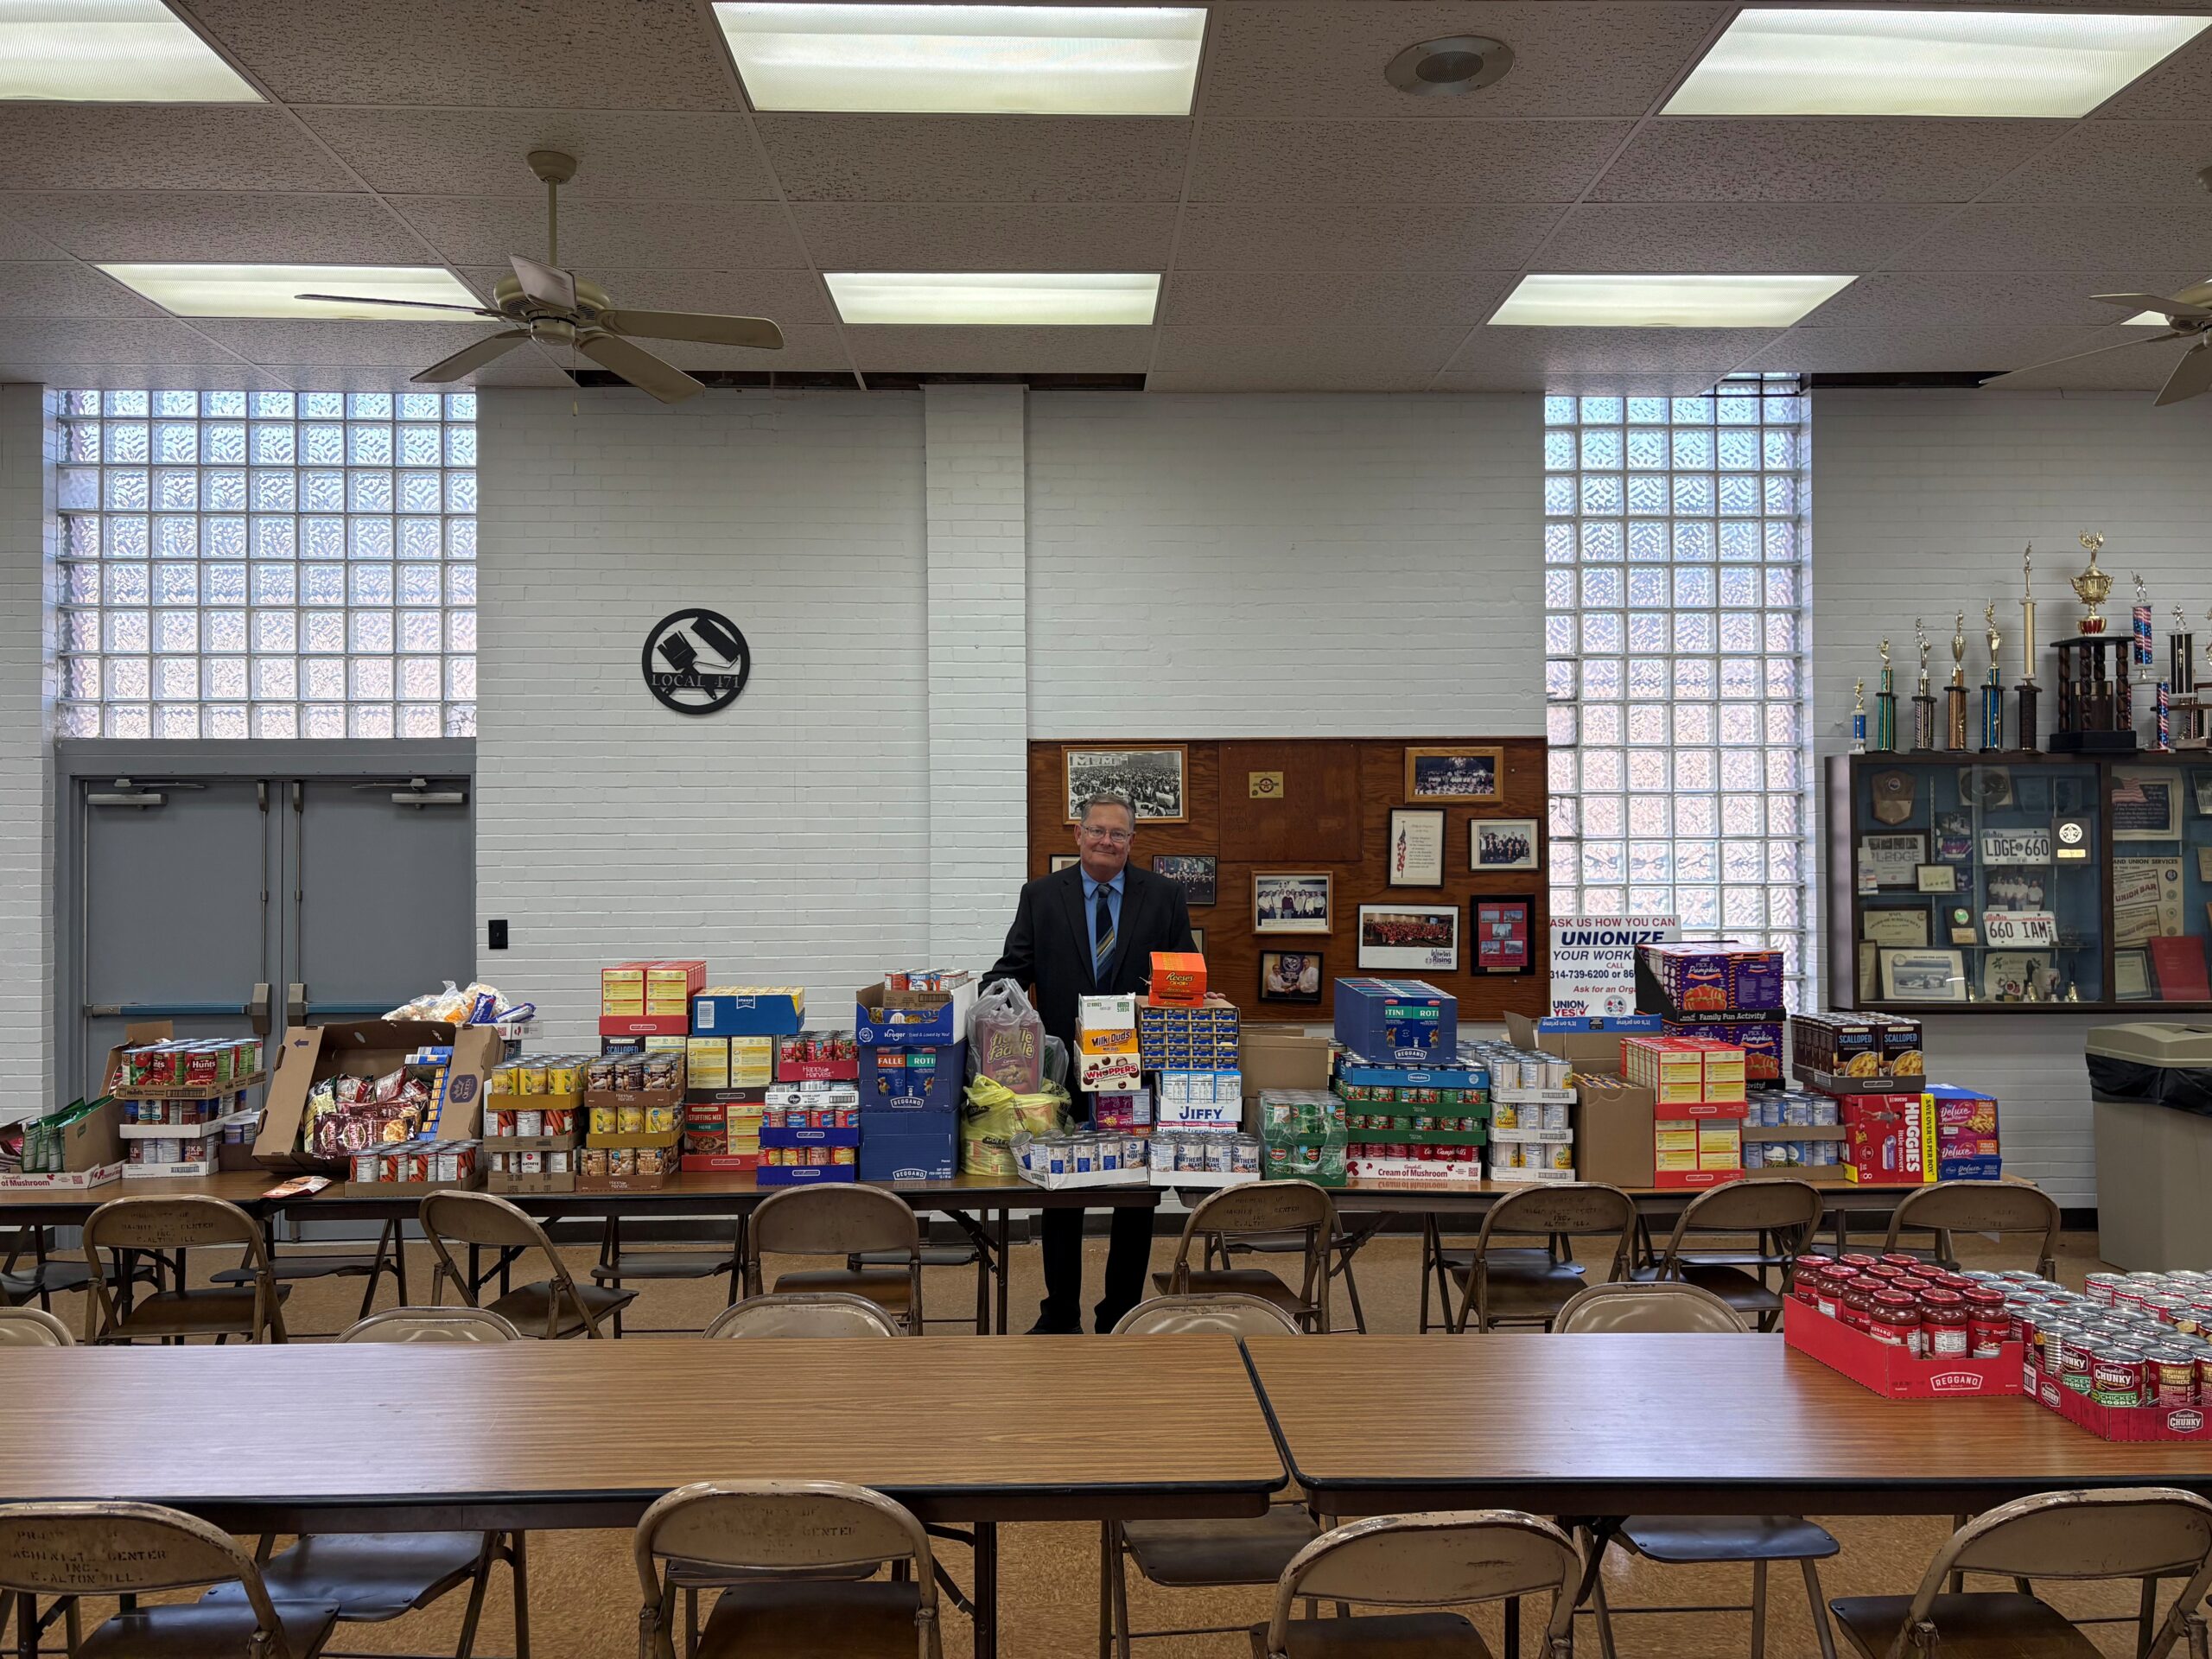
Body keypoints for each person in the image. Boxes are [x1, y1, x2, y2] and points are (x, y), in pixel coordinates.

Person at [985, 789, 1195, 1332]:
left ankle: (1121, 1312)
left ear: (1132, 841)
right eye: (1096, 831)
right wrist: (992, 1010)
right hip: (1062, 1075)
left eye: (1118, 833)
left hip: (1138, 1072)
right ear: (1078, 835)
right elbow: (1010, 970)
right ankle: (1060, 1314)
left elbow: (1183, 978)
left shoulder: (1165, 896)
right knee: (1060, 1195)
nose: (1106, 841)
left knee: (1136, 1197)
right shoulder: (1041, 895)